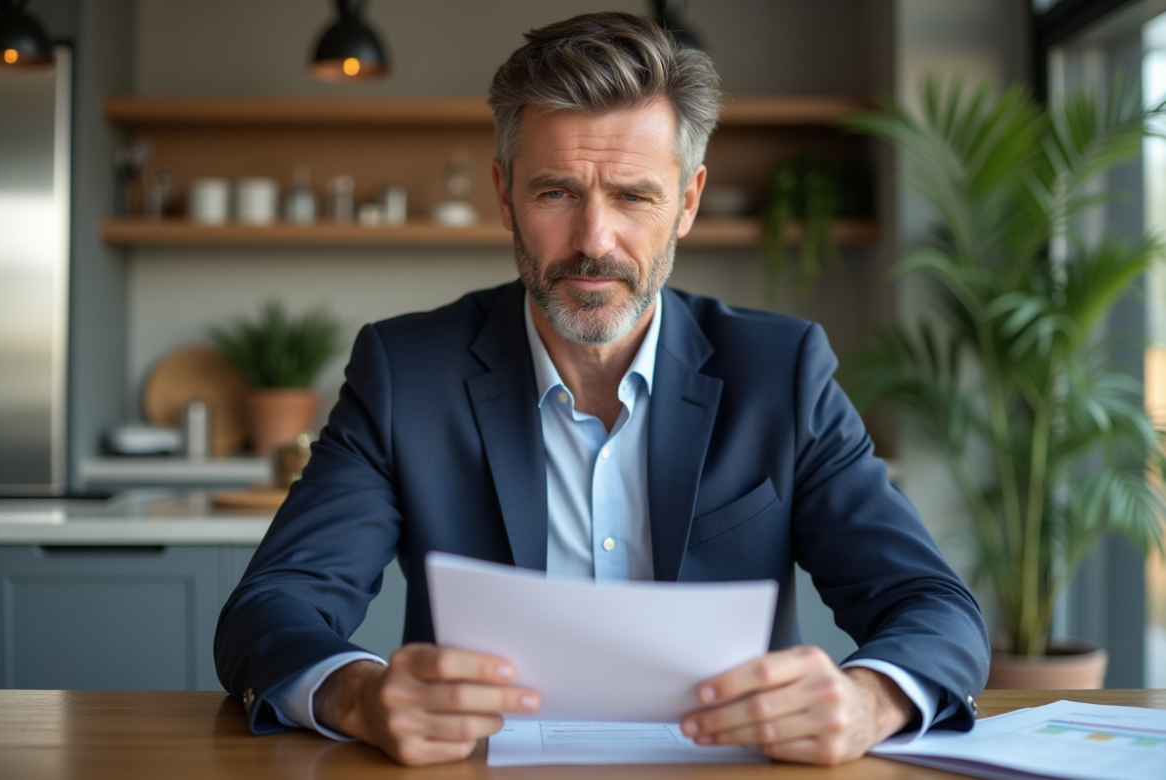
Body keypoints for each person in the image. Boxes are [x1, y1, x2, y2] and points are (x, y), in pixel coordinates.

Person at [215, 12, 990, 768]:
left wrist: (868, 701)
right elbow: (271, 606)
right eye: (556, 193)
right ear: (504, 192)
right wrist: (358, 696)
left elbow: (933, 608)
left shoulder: (781, 372)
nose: (593, 240)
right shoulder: (406, 371)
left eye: (633, 196)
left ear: (687, 202)